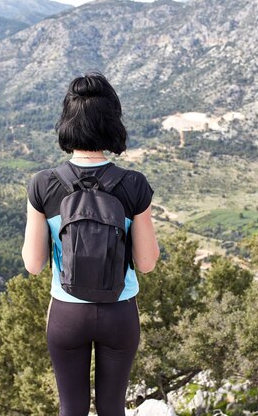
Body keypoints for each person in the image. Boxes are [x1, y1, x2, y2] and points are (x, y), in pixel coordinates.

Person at [22, 71, 160, 416]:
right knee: (113, 409)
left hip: (67, 312)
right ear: (112, 122)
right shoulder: (133, 185)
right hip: (119, 310)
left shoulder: (43, 185)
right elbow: (146, 263)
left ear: (67, 122)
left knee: (72, 409)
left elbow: (33, 264)